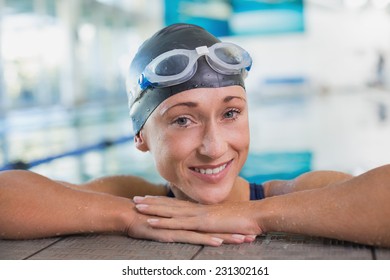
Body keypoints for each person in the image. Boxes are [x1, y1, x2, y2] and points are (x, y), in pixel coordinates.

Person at [0, 23, 389, 248]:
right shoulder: (134, 198)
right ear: (140, 136)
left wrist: (252, 215)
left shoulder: (295, 194)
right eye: (183, 120)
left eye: (231, 113)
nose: (214, 147)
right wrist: (126, 217)